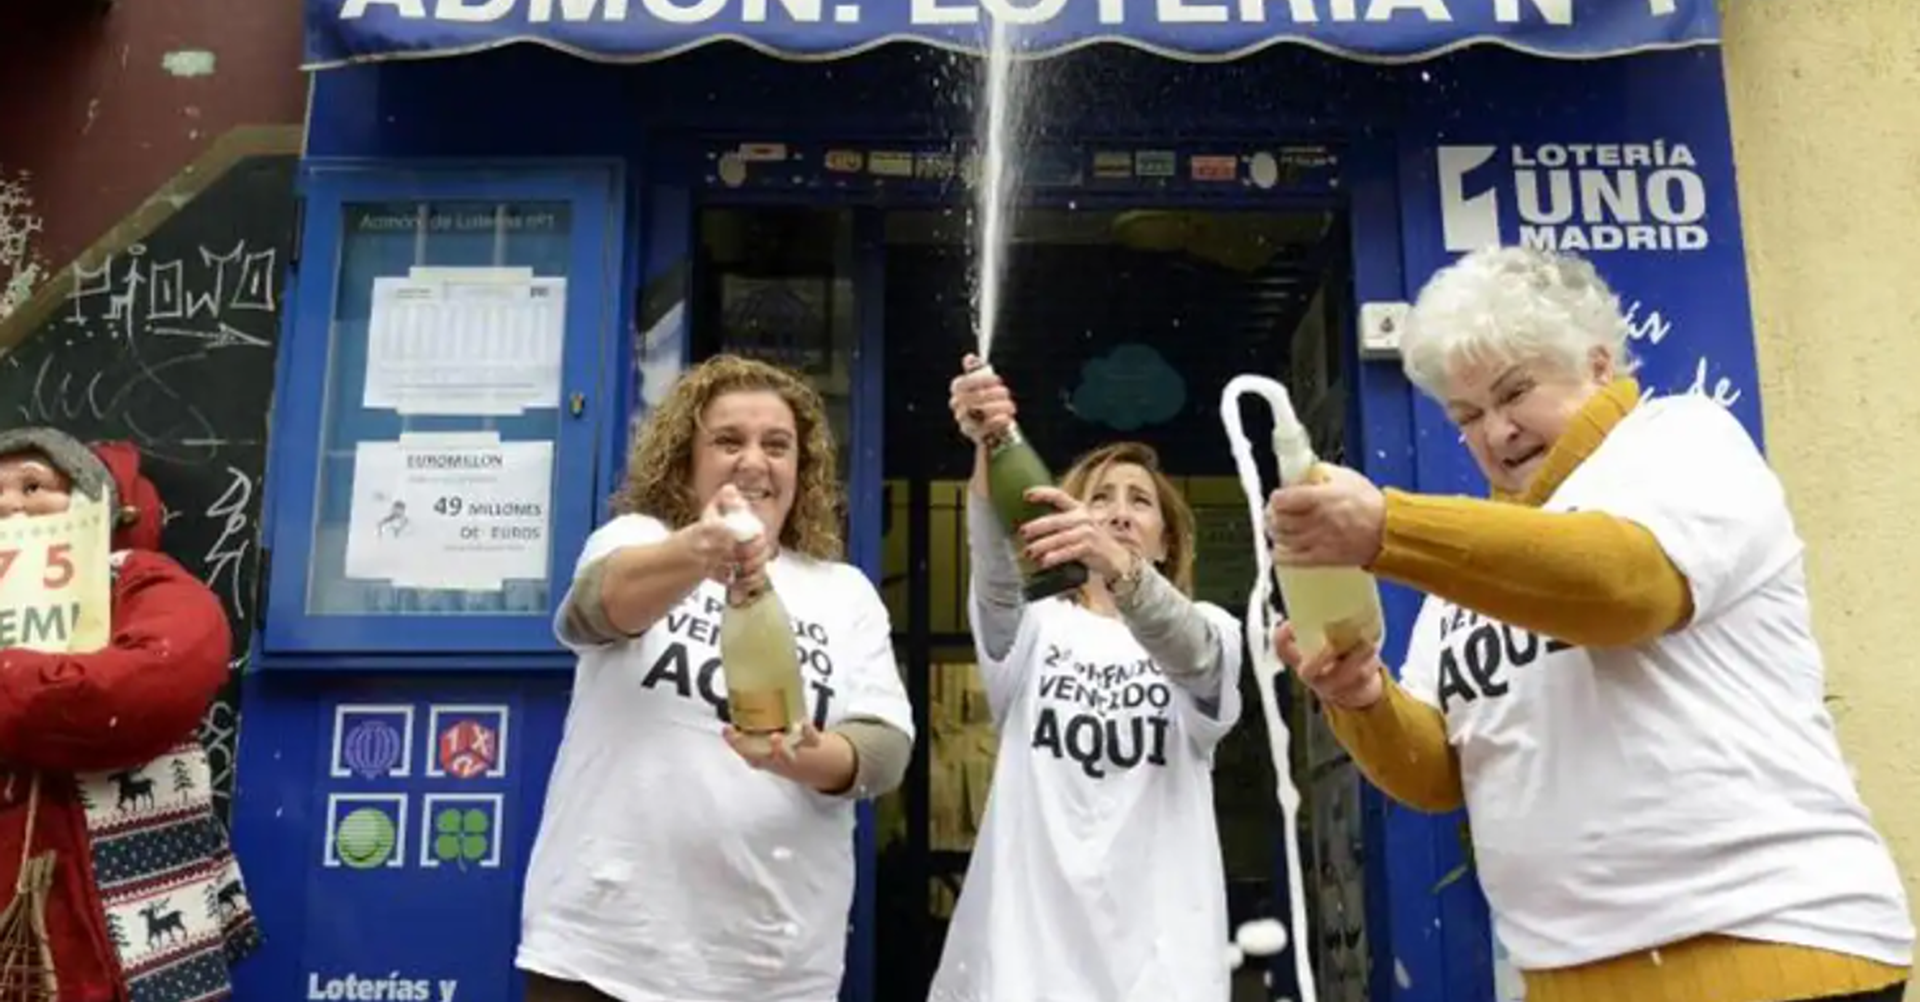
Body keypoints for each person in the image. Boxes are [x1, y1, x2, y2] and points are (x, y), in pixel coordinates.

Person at [1264, 246, 1912, 1002]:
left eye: (1515, 393)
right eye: (1466, 416)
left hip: (1772, 949)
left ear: (1599, 364)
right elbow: (1441, 775)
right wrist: (1361, 697)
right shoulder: (1475, 565)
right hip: (1567, 974)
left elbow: (1626, 586)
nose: (1496, 433)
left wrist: (1386, 528)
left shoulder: (1683, 439)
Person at [516, 353, 915, 1002]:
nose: (754, 461)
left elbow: (885, 749)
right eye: (728, 441)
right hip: (609, 951)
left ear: (801, 470)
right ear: (686, 461)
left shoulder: (842, 593)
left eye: (777, 445)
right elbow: (595, 609)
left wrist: (805, 756)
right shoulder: (639, 539)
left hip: (773, 968)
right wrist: (698, 550)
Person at [930, 356, 1244, 1002]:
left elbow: (1193, 655)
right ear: (1060, 524)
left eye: (1140, 502)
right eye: (1097, 499)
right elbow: (993, 568)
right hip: (1026, 966)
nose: (1120, 513)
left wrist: (1121, 573)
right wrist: (992, 439)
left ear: (1165, 542)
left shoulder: (1211, 627)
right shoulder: (1035, 628)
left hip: (1160, 972)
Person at [0, 428, 257, 1002]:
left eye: (35, 485)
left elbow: (144, 689)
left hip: (108, 909)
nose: (9, 505)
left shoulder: (141, 582)